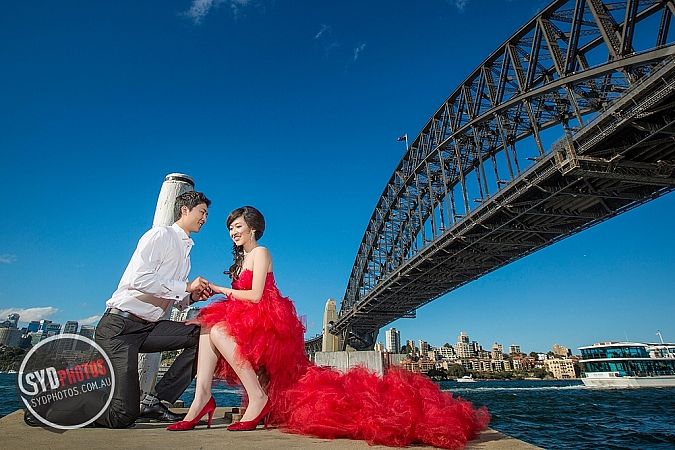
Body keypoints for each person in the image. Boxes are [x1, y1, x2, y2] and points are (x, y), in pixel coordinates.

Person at [168, 206, 490, 449]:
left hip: (266, 319)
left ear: (252, 228)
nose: (232, 233)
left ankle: (257, 396)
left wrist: (220, 289)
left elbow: (254, 296)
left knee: (218, 329)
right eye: (229, 229)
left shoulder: (261, 253)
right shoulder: (241, 260)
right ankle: (202, 399)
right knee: (207, 326)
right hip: (247, 316)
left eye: (237, 227)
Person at [93, 191, 213, 428]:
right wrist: (186, 286)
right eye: (202, 212)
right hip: (119, 328)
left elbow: (171, 296)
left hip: (148, 328)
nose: (205, 219)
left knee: (205, 336)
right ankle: (59, 410)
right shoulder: (161, 235)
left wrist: (191, 297)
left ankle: (154, 401)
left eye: (206, 215)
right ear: (184, 210)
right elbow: (140, 279)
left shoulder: (185, 254)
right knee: (122, 416)